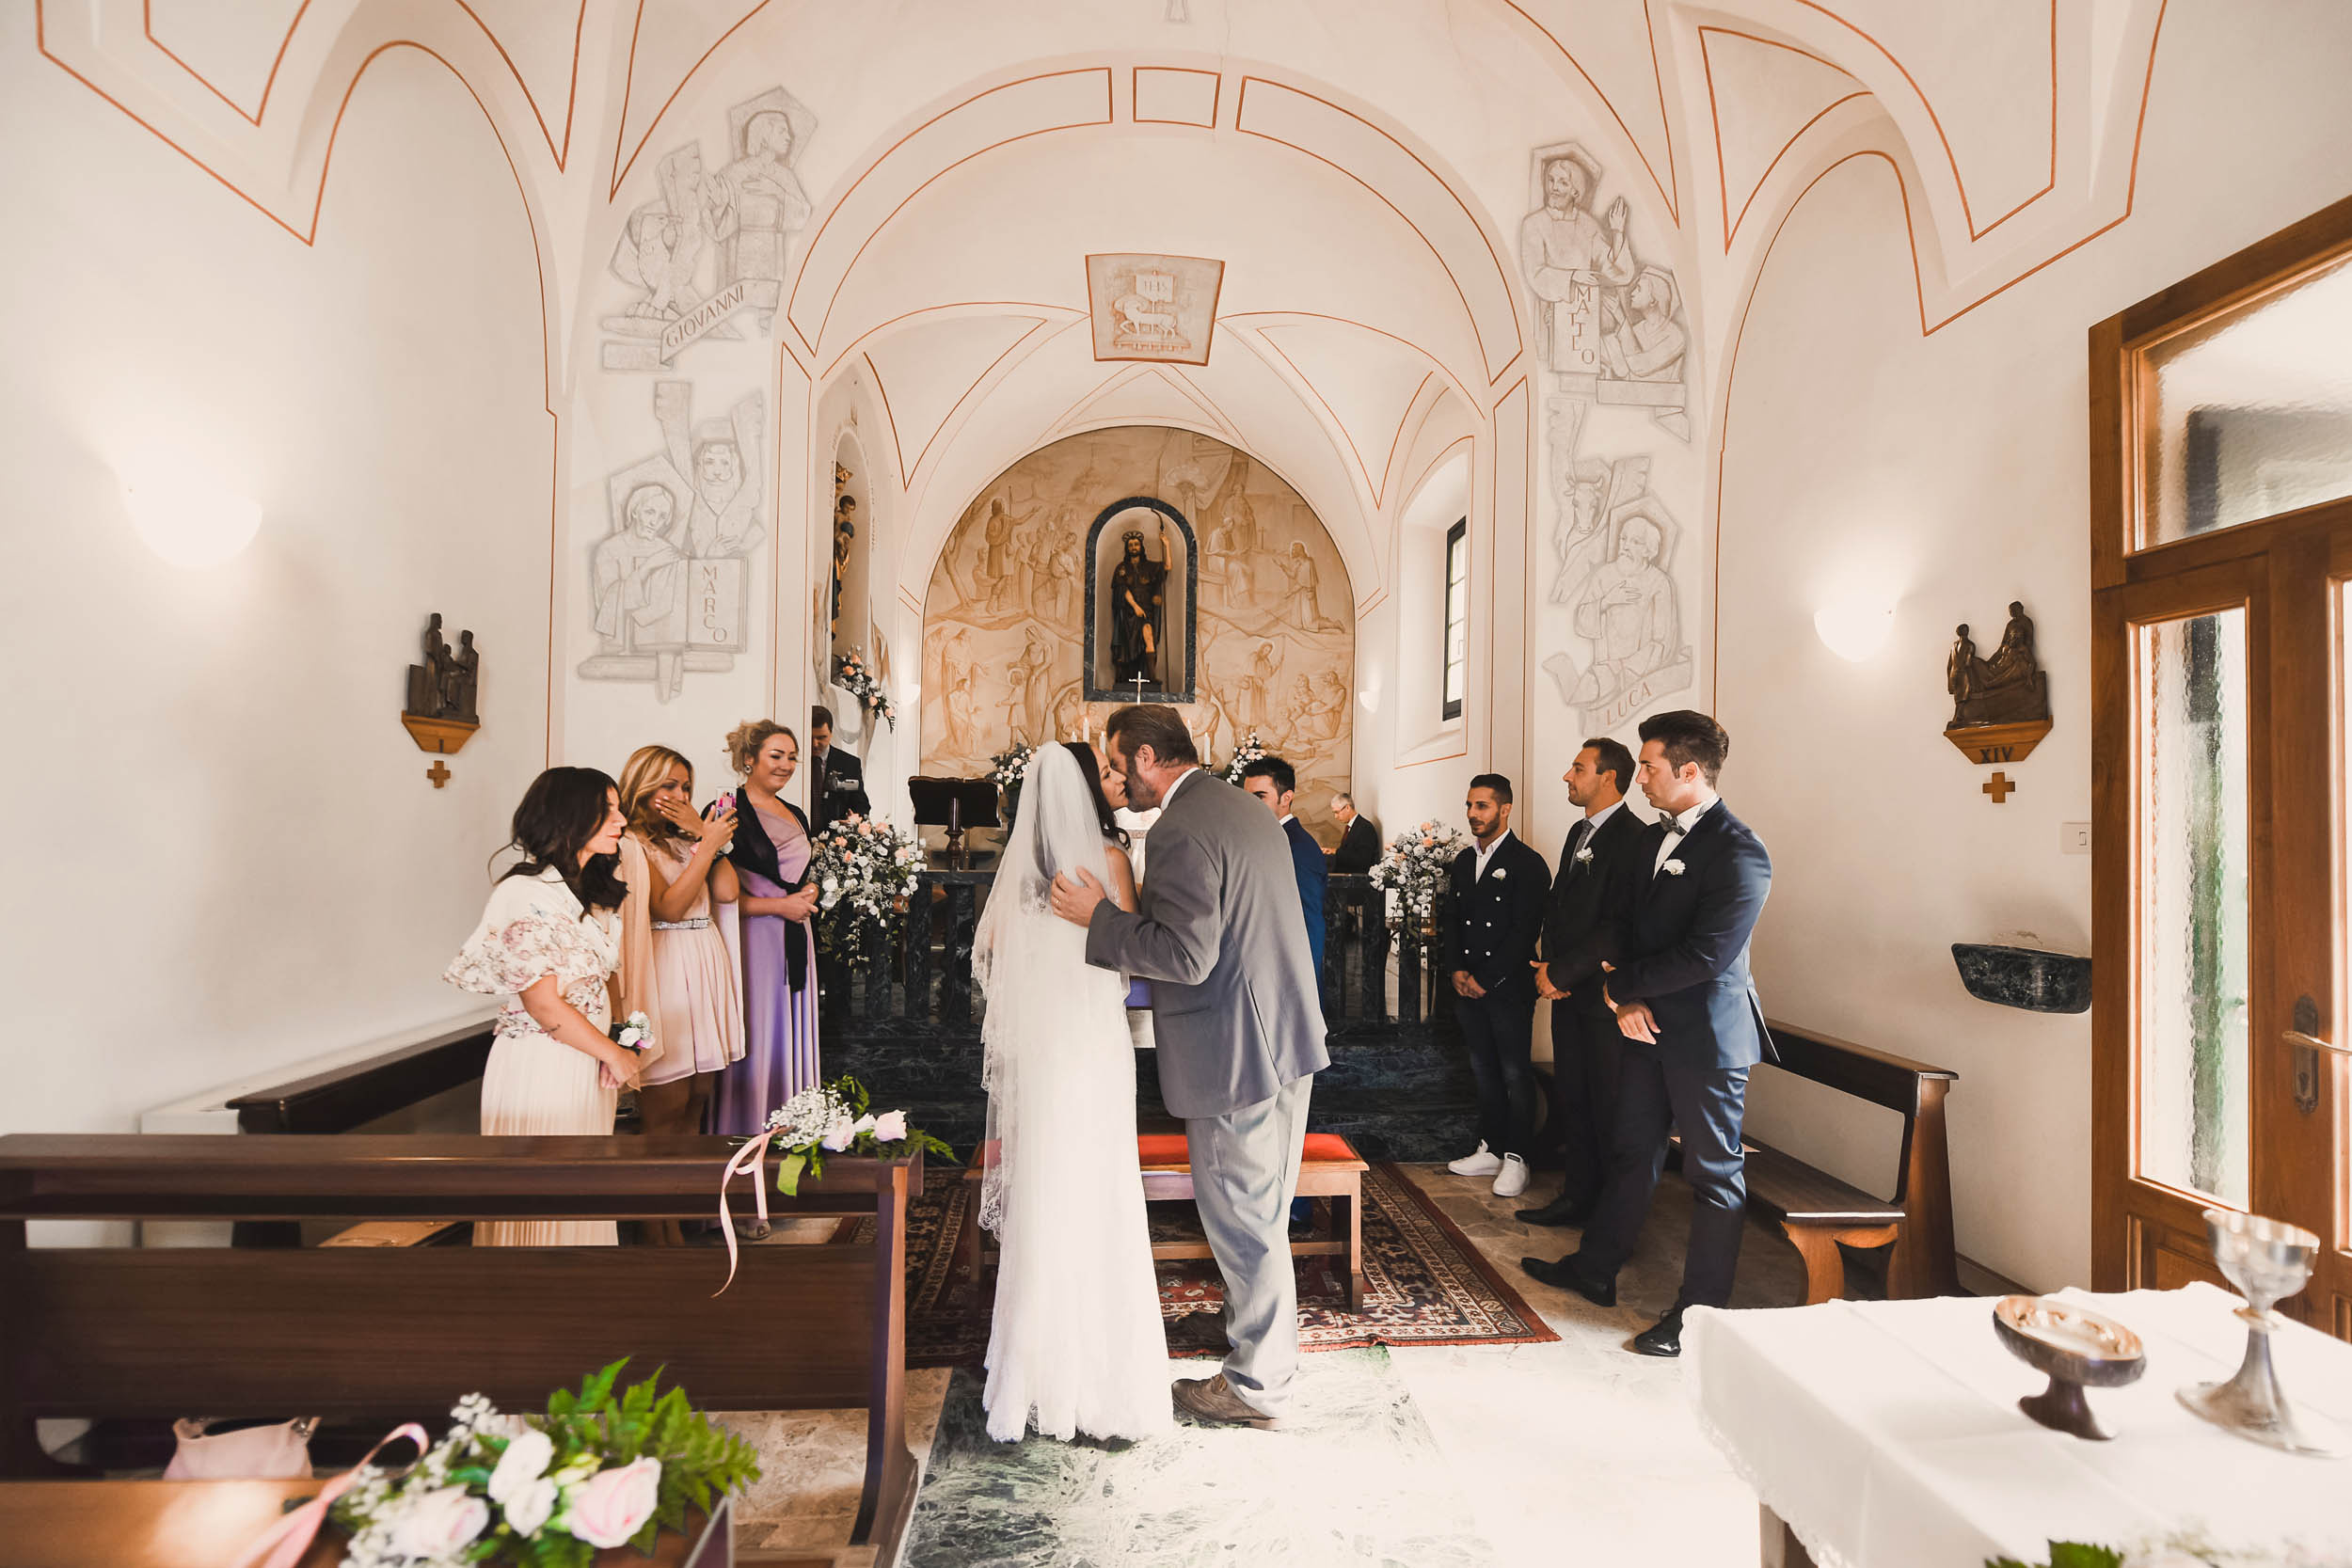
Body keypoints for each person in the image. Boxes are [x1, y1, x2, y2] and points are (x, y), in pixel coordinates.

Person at [1050, 705, 1328, 1430]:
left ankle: (1257, 1386)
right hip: (1283, 1033)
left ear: (1147, 757)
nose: (1116, 781)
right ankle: (1257, 1348)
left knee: (1243, 1220)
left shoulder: (1177, 827)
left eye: (1116, 766)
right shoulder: (1241, 804)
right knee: (1260, 1212)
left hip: (1231, 1047)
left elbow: (1186, 955)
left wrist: (1097, 919)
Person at [1521, 710, 1772, 1359]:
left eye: (1653, 767)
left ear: (1690, 771)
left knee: (1715, 1176)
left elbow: (1707, 955)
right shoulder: (1656, 839)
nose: (1643, 779)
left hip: (1706, 1038)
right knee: (1634, 1148)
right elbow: (1631, 927)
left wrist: (1620, 987)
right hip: (1644, 1024)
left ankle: (1700, 1316)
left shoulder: (1741, 851)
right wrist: (1623, 995)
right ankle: (1595, 1266)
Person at [974, 742, 1174, 1444]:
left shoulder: (1019, 877)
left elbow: (991, 954)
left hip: (1046, 1056)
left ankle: (1035, 1371)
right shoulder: (1110, 862)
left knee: (1044, 1192)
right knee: (1100, 1190)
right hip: (1093, 1050)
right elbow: (1138, 949)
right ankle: (1101, 1370)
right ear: (1092, 788)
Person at [445, 768, 644, 1247]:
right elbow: (543, 1005)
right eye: (609, 809)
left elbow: (603, 979)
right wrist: (615, 1054)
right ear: (571, 817)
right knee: (540, 1194)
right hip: (540, 1064)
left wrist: (615, 1039)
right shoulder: (524, 894)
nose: (621, 819)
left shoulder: (593, 891)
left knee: (583, 1188)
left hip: (583, 1060)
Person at [614, 745, 747, 1240]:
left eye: (686, 787)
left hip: (703, 966)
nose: (679, 796)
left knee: (697, 1099)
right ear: (642, 785)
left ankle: (683, 1219)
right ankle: (656, 1232)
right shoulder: (629, 844)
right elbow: (667, 907)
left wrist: (700, 836)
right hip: (665, 970)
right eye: (668, 785)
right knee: (664, 1110)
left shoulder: (678, 841)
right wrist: (708, 843)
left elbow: (728, 891)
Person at [1519, 737, 1646, 1227]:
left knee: (1605, 1103)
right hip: (1566, 989)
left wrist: (1563, 971)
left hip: (1601, 996)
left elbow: (1616, 924)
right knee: (1573, 1096)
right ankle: (1576, 1195)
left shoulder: (1635, 837)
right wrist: (1546, 966)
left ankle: (1607, 1212)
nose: (1567, 777)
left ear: (1608, 777)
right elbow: (1562, 905)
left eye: (1578, 768)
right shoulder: (1579, 832)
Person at [708, 721, 823, 1135]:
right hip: (752, 938)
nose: (787, 765)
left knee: (789, 1025)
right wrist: (781, 905)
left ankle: (791, 1126)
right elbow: (714, 896)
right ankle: (746, 1127)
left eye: (792, 757)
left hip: (794, 933)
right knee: (758, 1027)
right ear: (749, 759)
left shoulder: (794, 812)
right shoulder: (725, 810)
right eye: (777, 756)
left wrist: (807, 890)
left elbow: (795, 872)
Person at [1442, 775, 1551, 1200]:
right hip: (1468, 984)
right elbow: (1452, 919)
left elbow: (1525, 931)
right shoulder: (1464, 860)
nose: (1473, 814)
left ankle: (1517, 1157)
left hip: (1506, 987)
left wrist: (1486, 980)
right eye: (1470, 805)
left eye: (1483, 806)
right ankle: (1490, 1147)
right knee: (1483, 1069)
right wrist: (1456, 970)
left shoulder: (1528, 863)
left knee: (1513, 1071)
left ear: (1505, 810)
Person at [1240, 756, 1327, 983]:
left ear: (1286, 798)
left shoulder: (1298, 847)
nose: (1250, 805)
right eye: (1246, 797)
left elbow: (1307, 920)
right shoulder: (1271, 838)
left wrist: (1299, 978)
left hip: (1290, 972)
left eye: (1260, 797)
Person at [808, 705, 871, 832]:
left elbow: (861, 804)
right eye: (810, 737)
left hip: (835, 839)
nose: (815, 744)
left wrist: (854, 819)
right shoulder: (794, 761)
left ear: (831, 734)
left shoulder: (849, 763)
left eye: (821, 738)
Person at [1328, 792, 1381, 873]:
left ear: (1348, 808)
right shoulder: (1352, 827)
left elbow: (1363, 860)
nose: (1336, 816)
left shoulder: (1365, 827)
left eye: (1337, 812)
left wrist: (1336, 852)